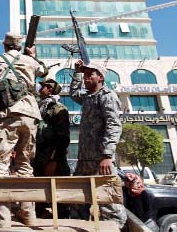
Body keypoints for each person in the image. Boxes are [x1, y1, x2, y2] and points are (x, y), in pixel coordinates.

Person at [0, 31, 48, 228]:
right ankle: (28, 213)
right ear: (20, 46)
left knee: (0, 164)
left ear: (5, 46)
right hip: (31, 114)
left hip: (7, 115)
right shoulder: (29, 61)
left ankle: (3, 216)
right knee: (24, 163)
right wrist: (32, 55)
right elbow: (44, 71)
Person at [69, 60, 127, 228]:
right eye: (85, 75)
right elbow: (73, 93)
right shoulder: (88, 97)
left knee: (109, 202)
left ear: (100, 77)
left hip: (101, 160)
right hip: (84, 160)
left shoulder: (107, 96)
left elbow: (114, 125)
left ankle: (115, 229)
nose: (86, 78)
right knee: (78, 200)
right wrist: (78, 72)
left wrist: (107, 155)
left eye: (89, 75)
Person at [34, 78, 70, 218]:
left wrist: (54, 160)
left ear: (50, 90)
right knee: (40, 193)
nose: (40, 88)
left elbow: (63, 138)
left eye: (43, 86)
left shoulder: (59, 109)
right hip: (39, 157)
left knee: (59, 194)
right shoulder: (39, 108)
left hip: (53, 159)